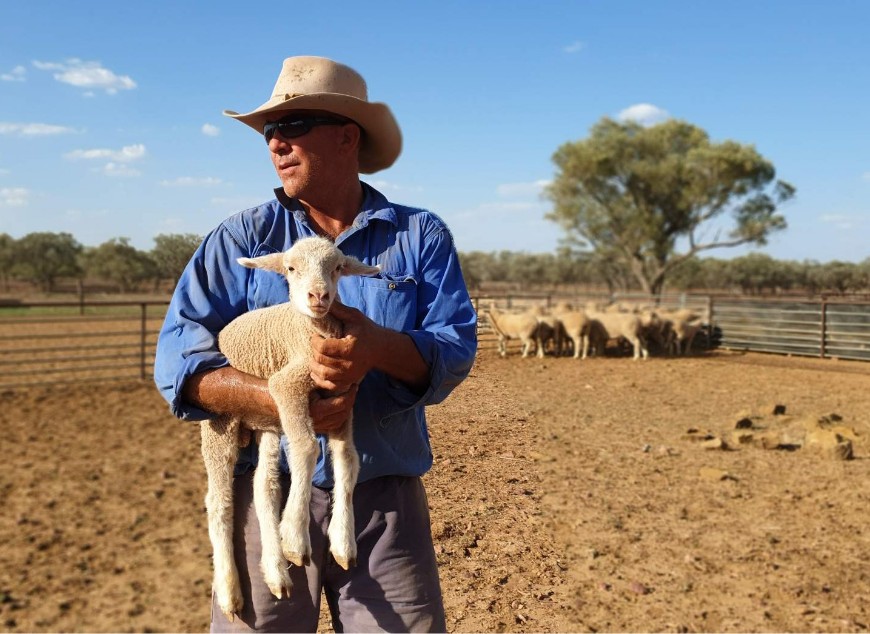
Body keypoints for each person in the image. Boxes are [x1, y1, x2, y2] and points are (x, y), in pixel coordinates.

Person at [153, 56, 477, 632]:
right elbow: (180, 362)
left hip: (381, 501)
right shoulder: (241, 238)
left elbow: (454, 347)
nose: (276, 142)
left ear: (347, 136)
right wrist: (279, 401)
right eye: (270, 131)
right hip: (266, 494)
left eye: (294, 125)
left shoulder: (419, 236)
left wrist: (378, 346)